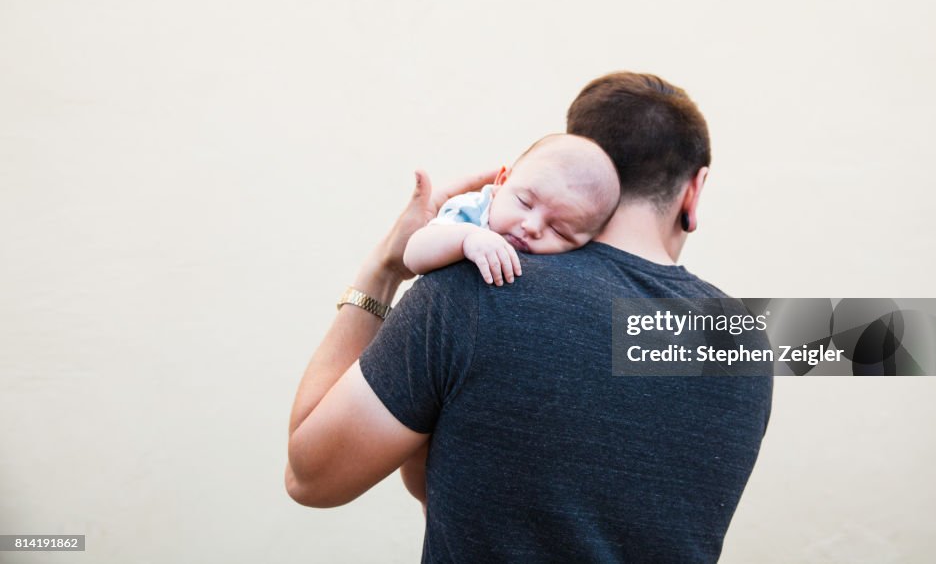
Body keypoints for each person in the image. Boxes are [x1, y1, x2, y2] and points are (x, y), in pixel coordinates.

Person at [285, 72, 773, 563]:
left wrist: (385, 267)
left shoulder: (473, 289)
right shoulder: (744, 340)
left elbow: (310, 478)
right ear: (694, 190)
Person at [403, 133, 620, 286]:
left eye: (559, 230)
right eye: (524, 202)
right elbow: (413, 256)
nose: (532, 227)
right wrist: (466, 239)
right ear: (503, 181)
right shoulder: (473, 211)